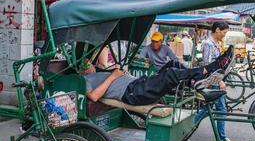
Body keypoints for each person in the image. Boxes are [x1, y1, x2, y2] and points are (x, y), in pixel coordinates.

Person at [82, 45, 234, 106]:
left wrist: (117, 73)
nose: (90, 64)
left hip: (138, 85)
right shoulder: (84, 80)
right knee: (170, 74)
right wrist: (114, 76)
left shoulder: (101, 72)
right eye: (86, 64)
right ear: (81, 70)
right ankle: (208, 70)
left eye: (90, 62)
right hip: (133, 93)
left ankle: (194, 82)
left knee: (172, 65)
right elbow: (94, 96)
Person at [194, 22, 236, 141]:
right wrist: (219, 81)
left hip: (215, 81)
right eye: (224, 32)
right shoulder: (208, 44)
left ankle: (184, 129)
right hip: (211, 82)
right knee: (221, 110)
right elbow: (208, 65)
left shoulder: (216, 44)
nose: (224, 35)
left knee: (207, 109)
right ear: (217, 30)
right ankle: (222, 140)